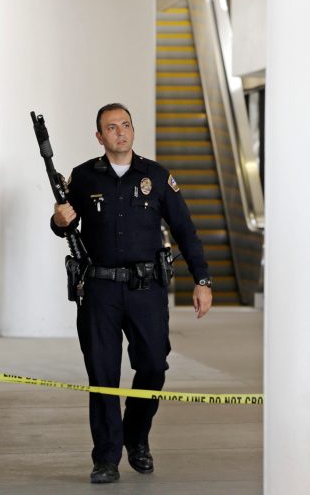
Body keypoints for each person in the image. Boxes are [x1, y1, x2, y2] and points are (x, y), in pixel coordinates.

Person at [51, 103, 213, 484]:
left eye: (125, 125)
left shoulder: (156, 177)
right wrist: (59, 221)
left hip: (146, 290)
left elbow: (186, 231)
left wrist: (202, 280)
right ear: (99, 136)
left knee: (154, 366)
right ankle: (106, 457)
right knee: (103, 374)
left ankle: (136, 438)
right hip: (100, 289)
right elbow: (63, 227)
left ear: (132, 130)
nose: (120, 132)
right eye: (111, 127)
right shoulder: (84, 177)